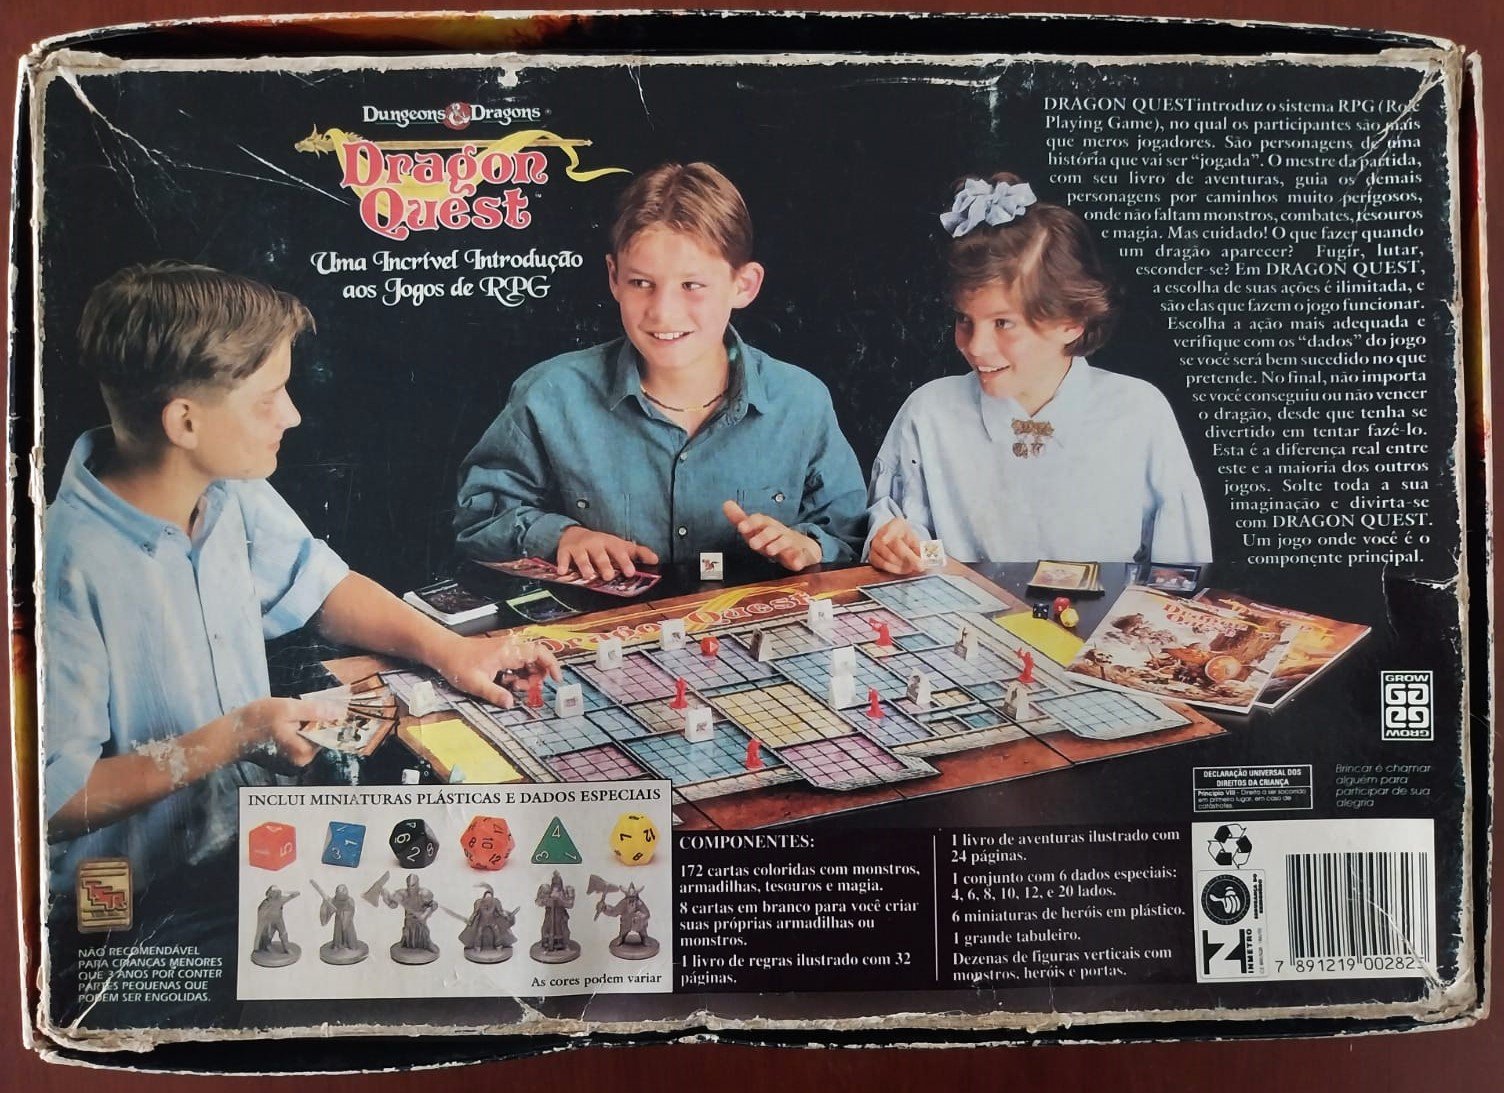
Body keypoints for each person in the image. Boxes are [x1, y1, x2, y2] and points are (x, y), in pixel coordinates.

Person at [43, 262, 561, 902]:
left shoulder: (228, 489)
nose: (291, 415)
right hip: (138, 902)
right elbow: (55, 800)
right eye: (268, 398)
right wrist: (234, 737)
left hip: (249, 847)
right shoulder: (60, 567)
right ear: (185, 423)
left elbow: (320, 586)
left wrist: (452, 650)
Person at [455, 161, 867, 578]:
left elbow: (849, 532)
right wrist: (563, 537)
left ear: (744, 285)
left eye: (692, 285)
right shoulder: (549, 395)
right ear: (614, 278)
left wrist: (810, 546)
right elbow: (480, 519)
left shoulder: (800, 401)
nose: (663, 312)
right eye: (641, 283)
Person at [866, 173, 1212, 572]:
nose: (975, 347)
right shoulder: (928, 412)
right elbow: (902, 532)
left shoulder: (1138, 412)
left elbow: (1179, 573)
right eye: (964, 320)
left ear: (1071, 322)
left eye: (1003, 323)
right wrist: (893, 545)